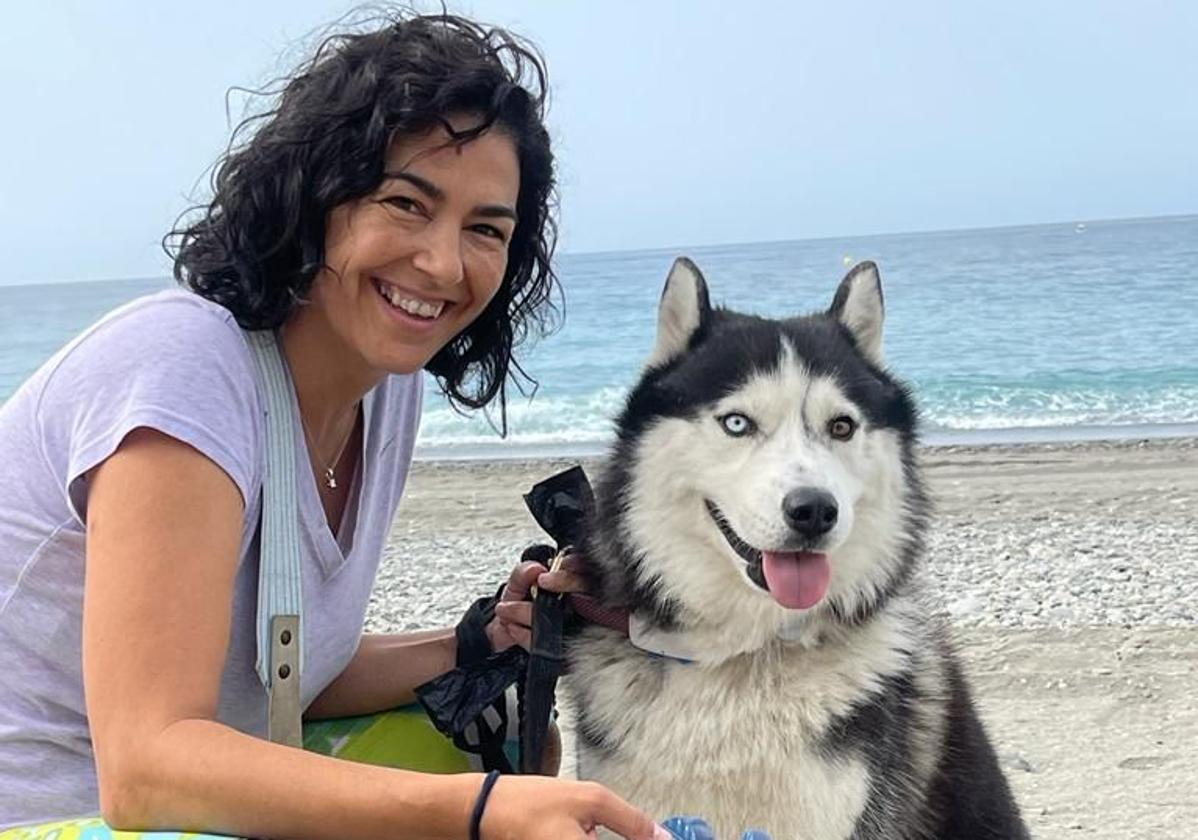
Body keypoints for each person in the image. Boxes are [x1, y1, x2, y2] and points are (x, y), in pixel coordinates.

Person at [0, 10, 668, 840]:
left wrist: (480, 638)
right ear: (314, 195)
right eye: (405, 203)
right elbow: (145, 767)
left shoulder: (384, 390)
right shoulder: (182, 368)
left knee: (486, 741)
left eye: (485, 230)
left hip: (162, 796)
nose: (444, 264)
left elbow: (280, 677)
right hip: (62, 810)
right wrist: (481, 813)